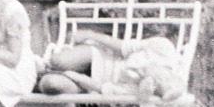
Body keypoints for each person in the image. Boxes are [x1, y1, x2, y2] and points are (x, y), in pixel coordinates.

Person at [37, 30, 186, 102]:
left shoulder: (142, 88)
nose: (152, 80)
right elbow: (122, 46)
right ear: (169, 73)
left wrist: (72, 76)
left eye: (154, 85)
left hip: (89, 81)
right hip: (100, 57)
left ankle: (34, 76)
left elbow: (101, 88)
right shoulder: (163, 48)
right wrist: (90, 34)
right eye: (158, 78)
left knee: (49, 84)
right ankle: (40, 67)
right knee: (58, 61)